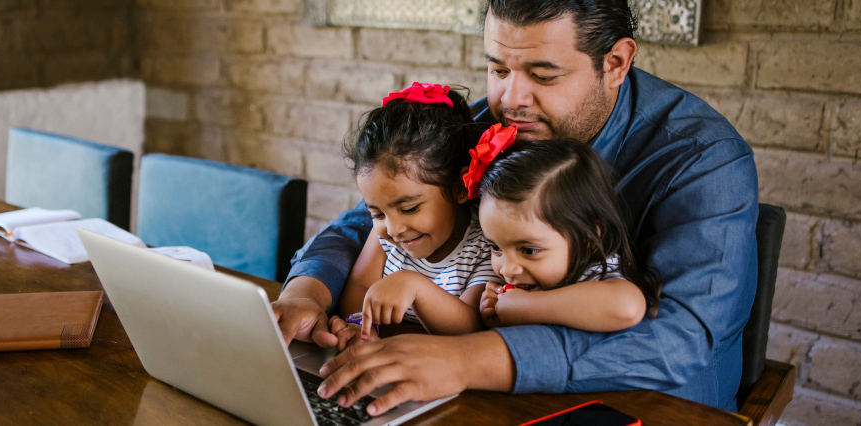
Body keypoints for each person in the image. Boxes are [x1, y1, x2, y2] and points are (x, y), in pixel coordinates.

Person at [274, 0, 758, 416]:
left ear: (614, 61)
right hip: (492, 398)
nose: (510, 99)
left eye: (542, 74)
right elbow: (362, 222)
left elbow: (678, 340)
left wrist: (467, 359)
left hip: (650, 407)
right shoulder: (495, 125)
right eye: (499, 69)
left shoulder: (703, 158)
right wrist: (306, 294)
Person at [331, 82, 501, 344]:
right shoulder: (387, 236)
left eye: (409, 208)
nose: (393, 228)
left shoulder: (483, 245)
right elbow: (360, 287)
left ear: (459, 188)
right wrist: (358, 327)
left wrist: (414, 286)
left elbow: (470, 329)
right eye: (377, 213)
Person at [472, 139, 659, 332]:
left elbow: (627, 307)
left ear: (588, 239)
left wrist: (529, 306)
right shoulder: (531, 280)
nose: (507, 269)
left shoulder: (595, 273)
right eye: (496, 247)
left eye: (529, 250)